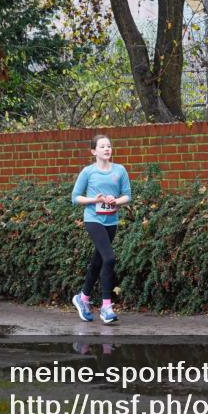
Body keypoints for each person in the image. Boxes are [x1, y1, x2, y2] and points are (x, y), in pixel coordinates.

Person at [70, 134, 132, 325]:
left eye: (109, 146)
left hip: (111, 221)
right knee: (109, 258)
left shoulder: (120, 170)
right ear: (93, 151)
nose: (107, 149)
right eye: (102, 146)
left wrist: (116, 201)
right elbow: (75, 197)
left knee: (98, 262)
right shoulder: (88, 172)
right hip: (93, 219)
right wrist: (94, 200)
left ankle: (83, 298)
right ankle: (106, 307)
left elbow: (127, 196)